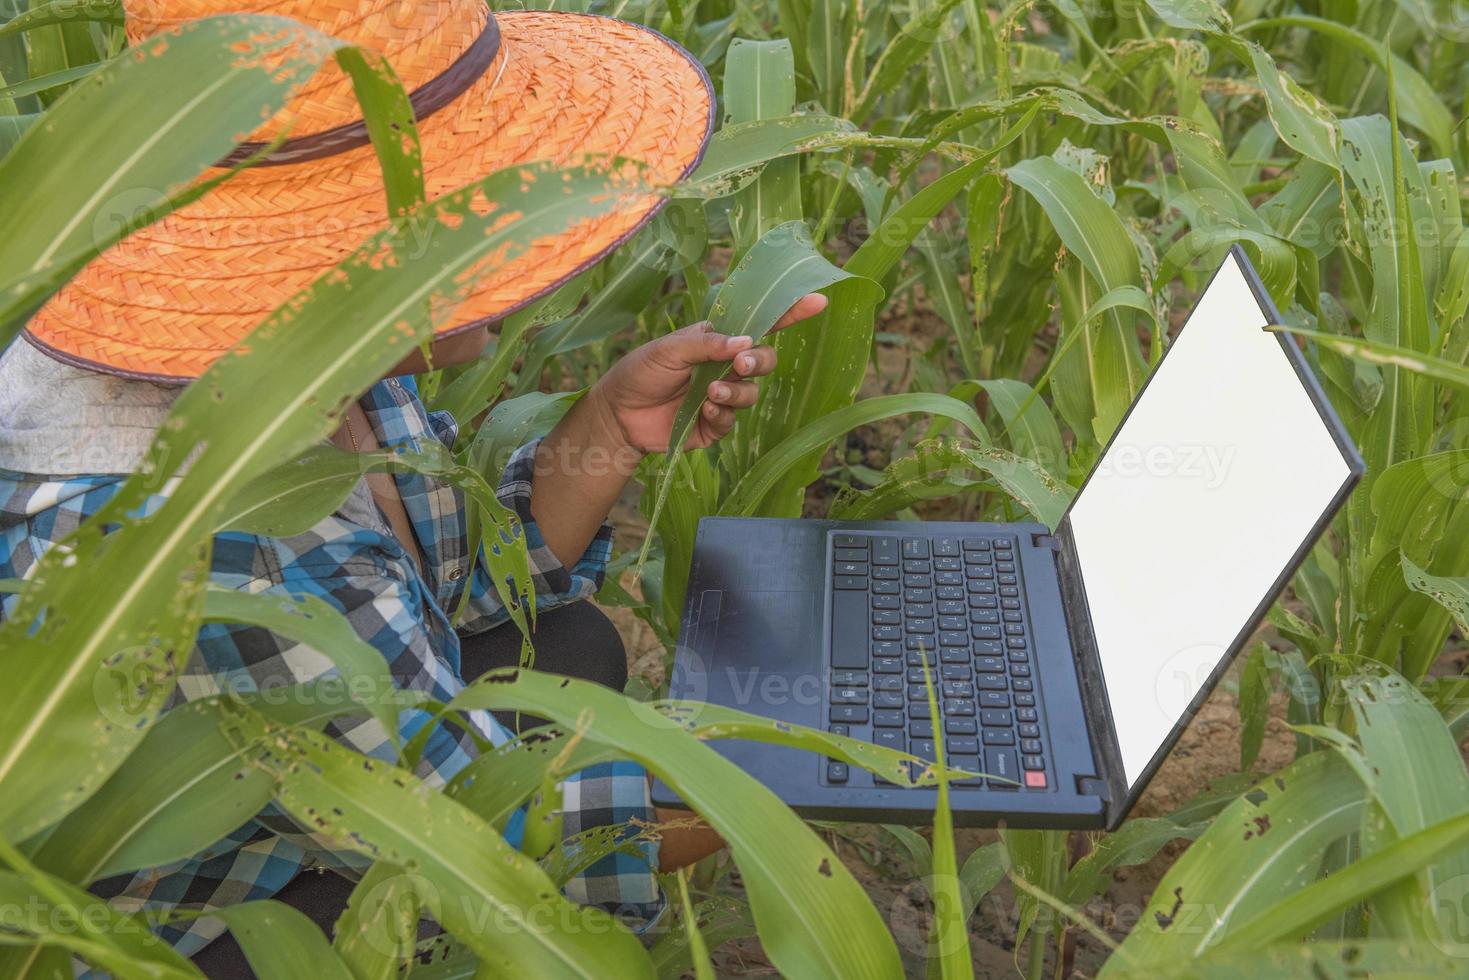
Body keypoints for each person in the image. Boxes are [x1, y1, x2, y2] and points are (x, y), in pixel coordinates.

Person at [0, 0, 827, 972]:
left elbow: (454, 591)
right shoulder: (215, 547)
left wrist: (608, 422)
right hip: (167, 933)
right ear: (351, 252)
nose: (530, 242)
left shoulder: (315, 356)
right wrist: (793, 778)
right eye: (487, 204)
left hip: (315, 753)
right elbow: (485, 843)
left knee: (564, 647)